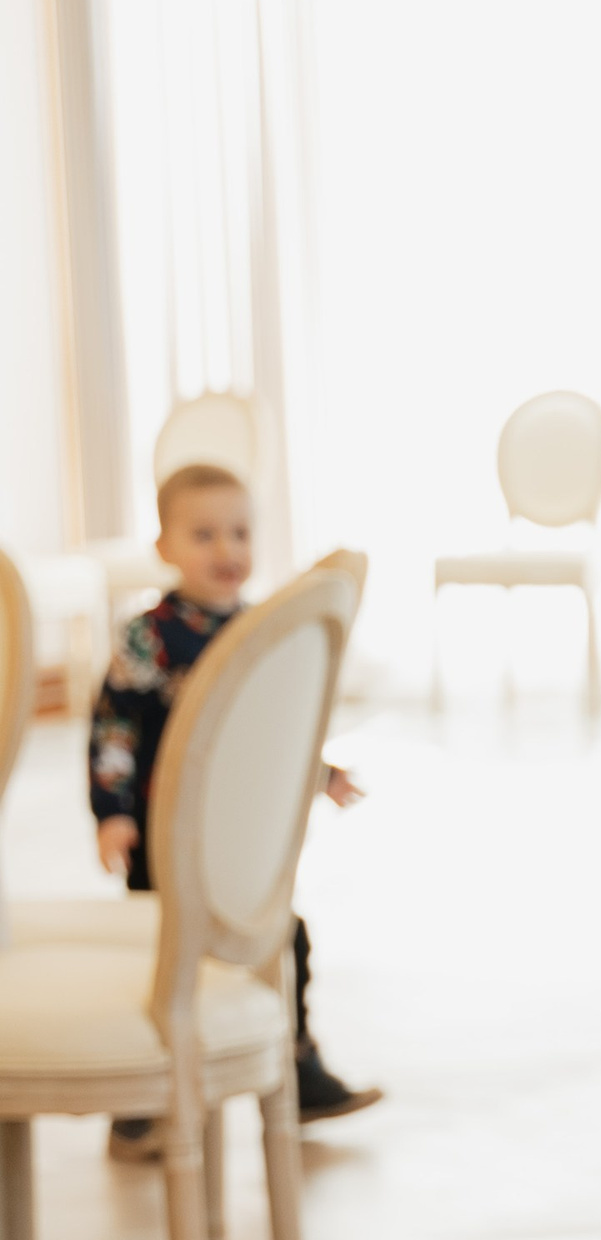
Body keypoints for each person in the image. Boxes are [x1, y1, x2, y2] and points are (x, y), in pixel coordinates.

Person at [89, 462, 377, 1162]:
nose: (226, 550)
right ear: (165, 546)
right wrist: (112, 810)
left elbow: (270, 734)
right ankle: (139, 1108)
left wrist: (319, 775)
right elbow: (115, 728)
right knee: (165, 959)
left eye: (240, 533)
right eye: (204, 534)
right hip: (167, 836)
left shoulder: (263, 632)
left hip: (237, 844)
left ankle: (296, 1066)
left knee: (284, 938)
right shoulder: (148, 638)